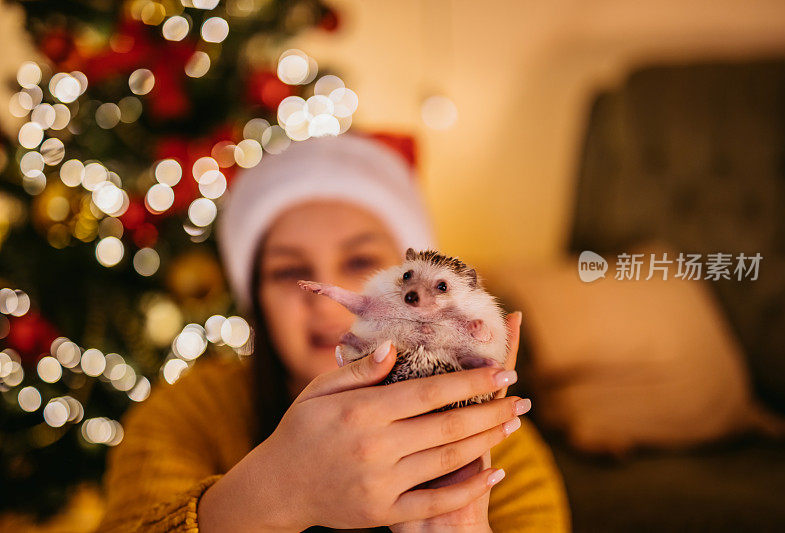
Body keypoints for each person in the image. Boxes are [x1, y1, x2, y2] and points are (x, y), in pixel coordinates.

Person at [97, 133, 570, 532]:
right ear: (256, 300)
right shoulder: (188, 411)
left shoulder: (494, 437)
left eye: (362, 262)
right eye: (289, 272)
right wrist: (273, 494)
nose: (329, 295)